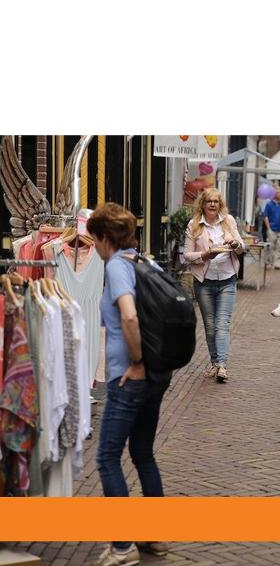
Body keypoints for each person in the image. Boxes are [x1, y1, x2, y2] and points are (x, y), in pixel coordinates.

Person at [87, 203, 170, 566]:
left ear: (105, 238)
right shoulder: (145, 261)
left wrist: (136, 363)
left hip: (131, 377)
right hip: (158, 375)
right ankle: (153, 536)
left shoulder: (118, 266)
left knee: (107, 457)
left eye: (94, 239)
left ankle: (122, 547)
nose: (93, 246)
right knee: (142, 453)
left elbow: (130, 315)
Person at [184, 188, 244, 383]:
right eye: (209, 201)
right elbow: (187, 255)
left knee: (222, 323)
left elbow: (242, 248)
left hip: (227, 279)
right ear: (202, 203)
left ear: (220, 204)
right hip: (205, 282)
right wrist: (205, 255)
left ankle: (222, 365)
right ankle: (214, 362)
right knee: (210, 325)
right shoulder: (194, 225)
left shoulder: (229, 221)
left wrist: (234, 243)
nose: (212, 204)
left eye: (216, 201)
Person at [264, 186, 280, 269]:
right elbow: (265, 216)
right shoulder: (269, 204)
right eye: (277, 192)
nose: (279, 194)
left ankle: (278, 264)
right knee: (270, 247)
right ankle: (268, 263)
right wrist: (269, 228)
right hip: (272, 229)